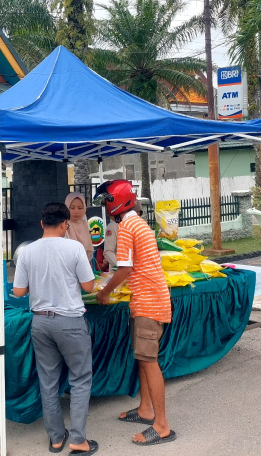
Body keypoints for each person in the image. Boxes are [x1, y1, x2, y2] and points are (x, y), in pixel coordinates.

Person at [93, 180, 176, 447]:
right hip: (150, 300)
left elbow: (125, 268)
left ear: (115, 202)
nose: (105, 207)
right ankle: (145, 409)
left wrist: (105, 292)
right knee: (144, 358)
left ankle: (161, 425)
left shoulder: (127, 227)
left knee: (150, 361)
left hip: (149, 304)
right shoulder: (137, 223)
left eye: (106, 201)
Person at [13, 203, 99, 456]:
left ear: (42, 223)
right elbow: (89, 286)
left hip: (40, 323)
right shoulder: (73, 248)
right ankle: (78, 439)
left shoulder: (28, 252)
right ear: (65, 224)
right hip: (70, 321)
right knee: (81, 378)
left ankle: (56, 438)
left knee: (48, 381)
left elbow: (18, 291)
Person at [103, 200, 142, 269]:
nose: (137, 217)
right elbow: (108, 251)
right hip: (118, 271)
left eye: (139, 215)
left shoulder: (140, 226)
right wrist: (120, 267)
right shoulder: (114, 226)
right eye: (135, 214)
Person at [64, 192, 94, 262]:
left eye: (80, 208)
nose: (76, 211)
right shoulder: (63, 226)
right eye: (72, 208)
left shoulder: (85, 225)